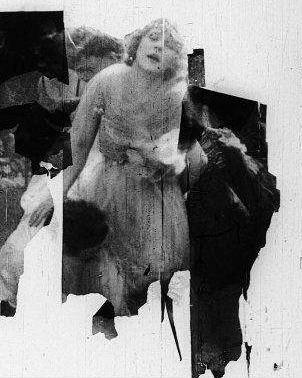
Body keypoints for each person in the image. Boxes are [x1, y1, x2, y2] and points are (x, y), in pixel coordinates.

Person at [47, 18, 199, 317]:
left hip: (154, 199)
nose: (158, 47)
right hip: (104, 187)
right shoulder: (107, 80)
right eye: (153, 37)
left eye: (169, 46)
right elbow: (78, 145)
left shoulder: (177, 96)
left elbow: (191, 159)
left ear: (177, 60)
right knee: (97, 268)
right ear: (137, 43)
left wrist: (169, 167)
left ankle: (138, 328)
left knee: (148, 277)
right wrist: (57, 196)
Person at [0, 28, 124, 318]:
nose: (86, 77)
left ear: (110, 56)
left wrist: (56, 195)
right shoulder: (105, 86)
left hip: (102, 181)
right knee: (32, 237)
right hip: (75, 171)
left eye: (87, 69)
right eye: (80, 71)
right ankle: (4, 299)